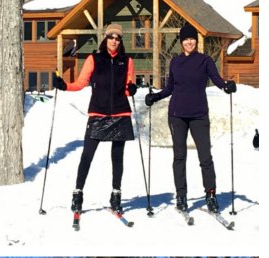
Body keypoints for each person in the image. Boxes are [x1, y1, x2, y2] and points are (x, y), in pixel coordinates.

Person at [143, 23, 236, 213]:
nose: (189, 42)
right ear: (181, 42)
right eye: (185, 39)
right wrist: (156, 96)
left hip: (199, 115)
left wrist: (227, 86)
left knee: (205, 157)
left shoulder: (205, 61)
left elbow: (217, 80)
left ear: (196, 40)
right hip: (177, 115)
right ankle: (181, 196)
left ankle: (210, 194)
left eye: (192, 38)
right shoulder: (175, 62)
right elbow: (170, 88)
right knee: (179, 157)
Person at [53, 22, 135, 216]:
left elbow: (128, 85)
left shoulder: (127, 60)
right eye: (111, 37)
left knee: (117, 157)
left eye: (117, 38)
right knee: (87, 155)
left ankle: (116, 195)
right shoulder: (94, 58)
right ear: (105, 38)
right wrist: (64, 86)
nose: (114, 40)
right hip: (98, 113)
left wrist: (131, 89)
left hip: (121, 113)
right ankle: (78, 193)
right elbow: (81, 83)